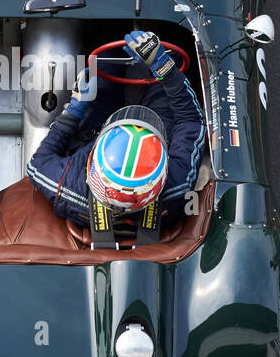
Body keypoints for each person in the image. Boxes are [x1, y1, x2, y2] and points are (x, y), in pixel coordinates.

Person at [26, 31, 205, 246]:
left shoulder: (67, 186)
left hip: (97, 128)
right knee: (168, 56)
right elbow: (191, 120)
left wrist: (74, 110)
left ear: (93, 165)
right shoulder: (178, 187)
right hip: (158, 124)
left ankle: (109, 34)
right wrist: (163, 66)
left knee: (102, 58)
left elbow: (37, 164)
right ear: (162, 174)